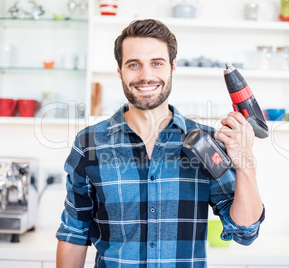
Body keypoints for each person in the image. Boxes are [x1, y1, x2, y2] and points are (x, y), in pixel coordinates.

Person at [56, 19, 265, 268]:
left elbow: (245, 232)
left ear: (172, 66)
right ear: (120, 70)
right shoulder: (90, 144)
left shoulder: (206, 143)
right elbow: (74, 234)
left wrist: (245, 164)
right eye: (134, 64)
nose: (146, 76)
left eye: (157, 63)